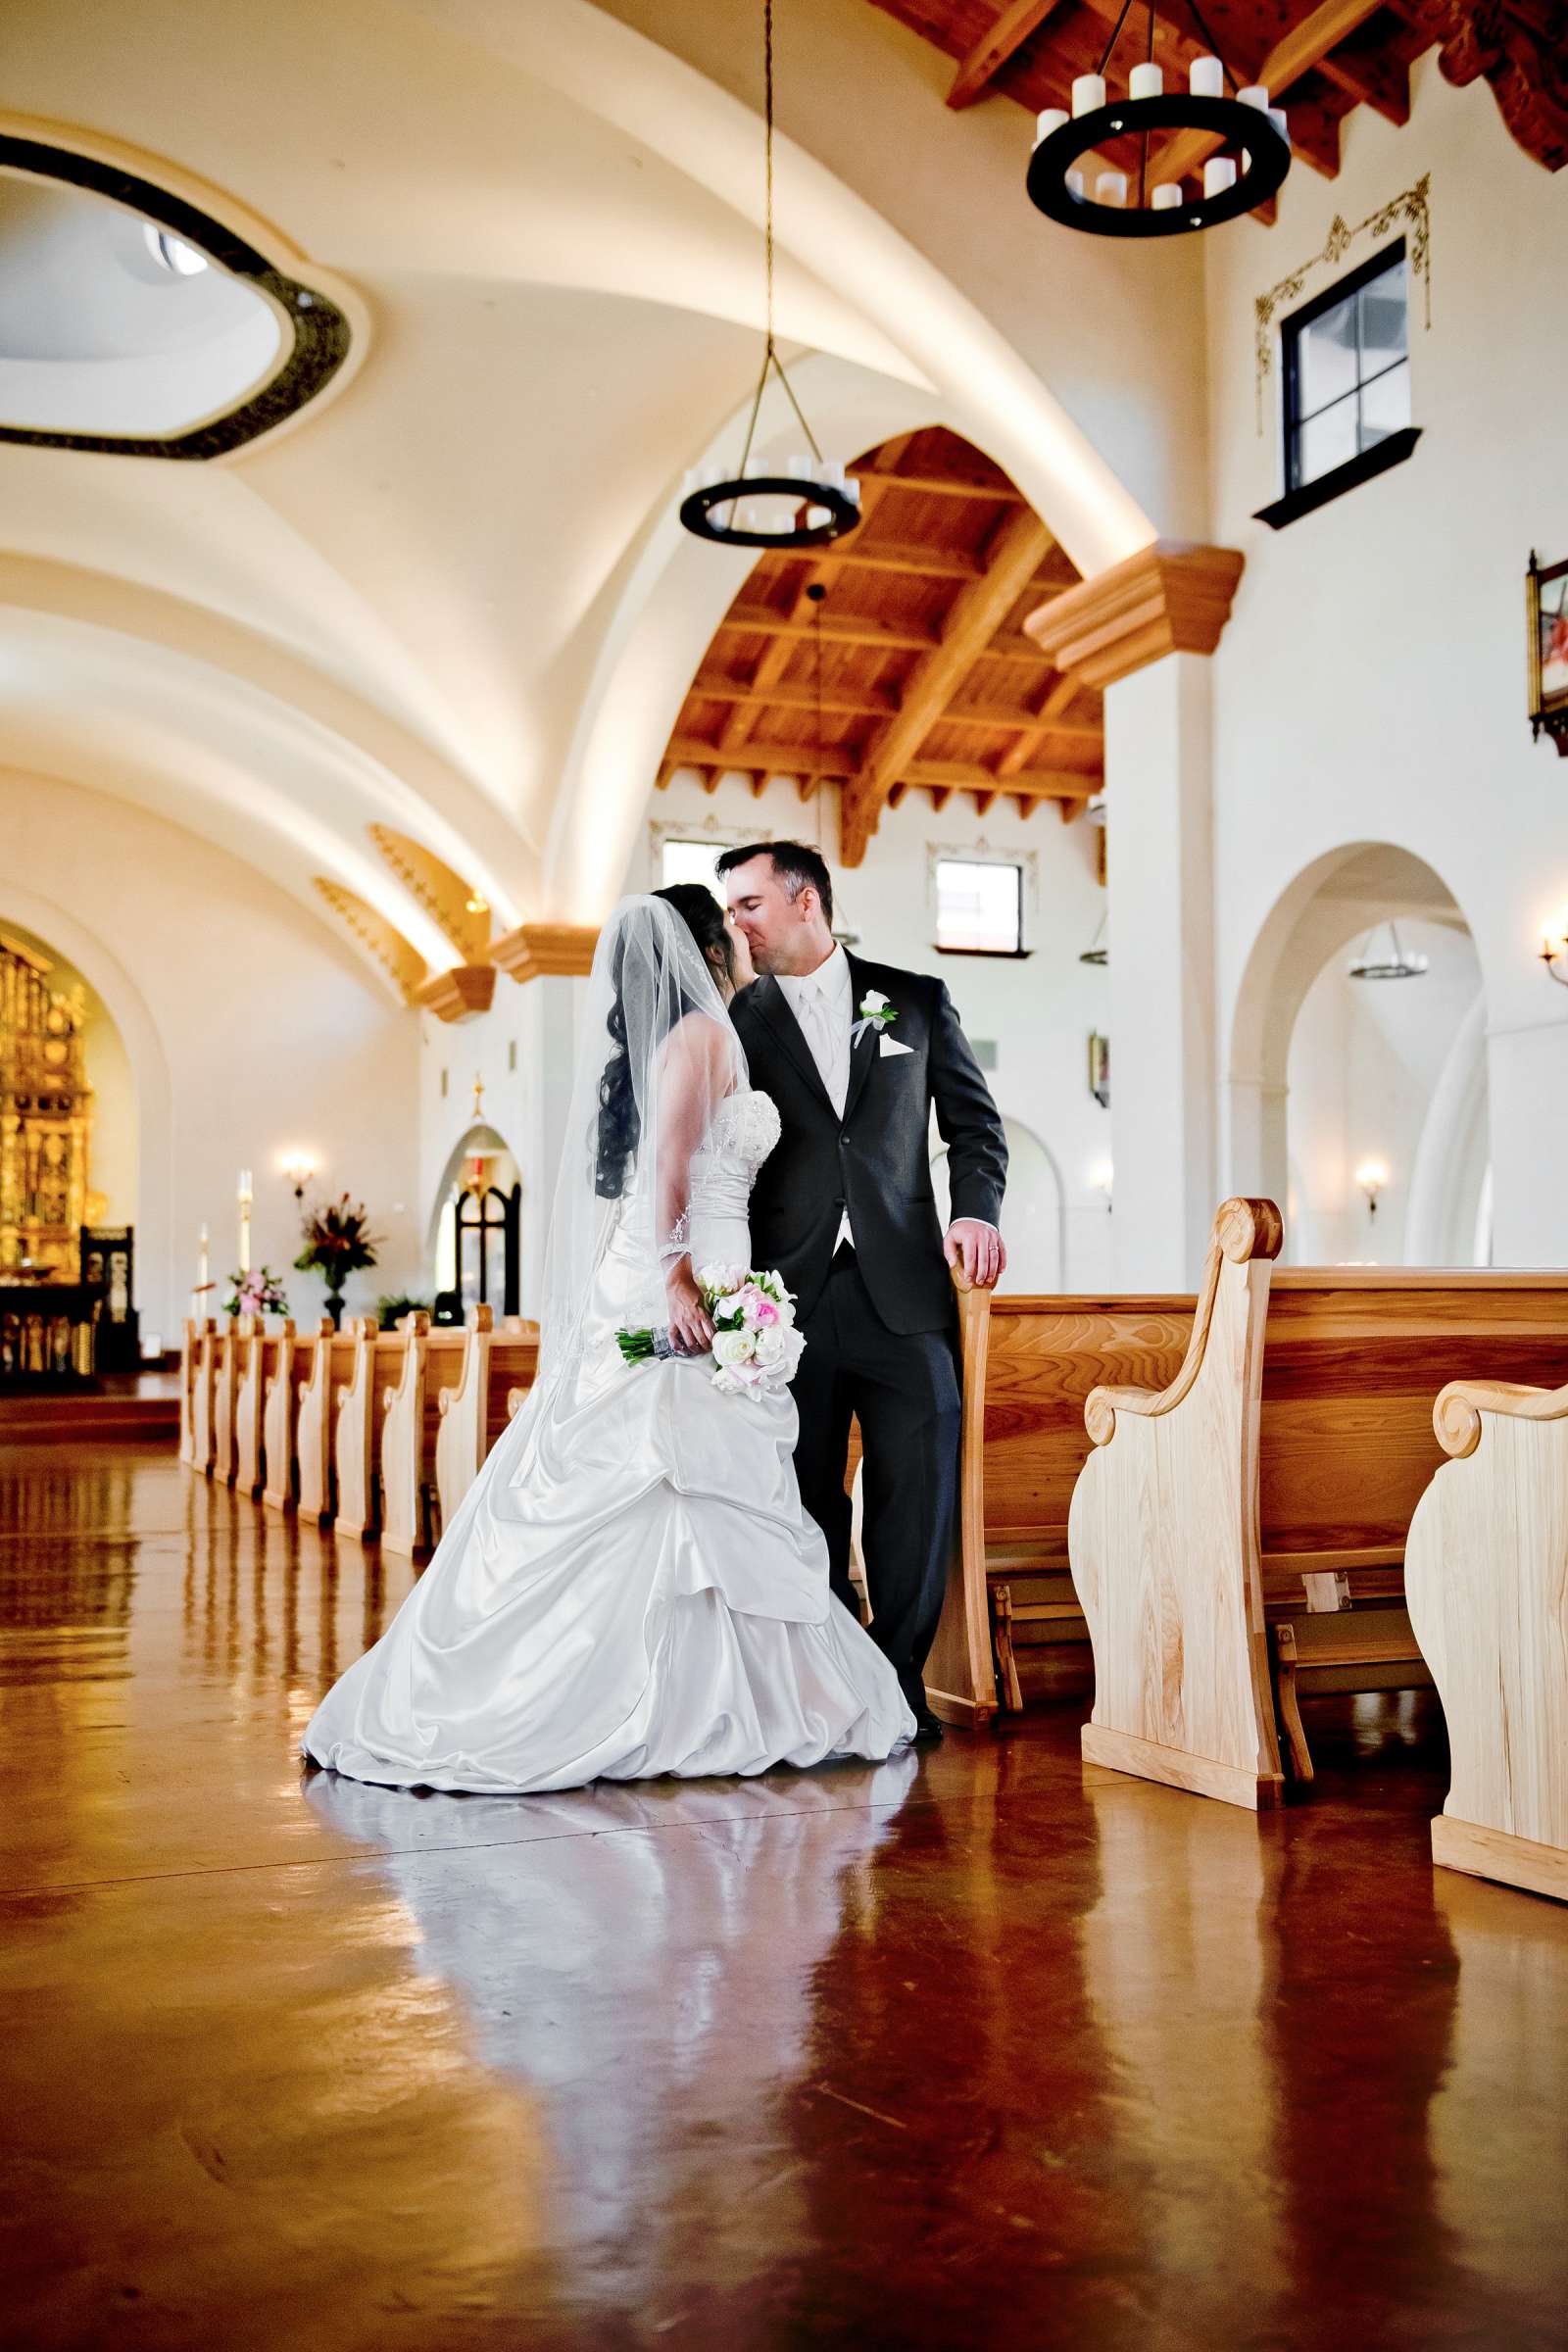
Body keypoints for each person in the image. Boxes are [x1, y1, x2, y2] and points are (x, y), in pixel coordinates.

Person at [302, 887, 913, 1794]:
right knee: (666, 1460)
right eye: (733, 927)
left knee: (693, 1465)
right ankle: (680, 1701)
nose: (747, 939)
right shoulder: (704, 1037)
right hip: (679, 1260)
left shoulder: (694, 1037)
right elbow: (669, 1165)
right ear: (709, 949)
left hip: (698, 1249)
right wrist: (675, 1276)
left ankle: (709, 1692)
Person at [720, 843, 1007, 1743]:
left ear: (807, 901)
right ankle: (834, 1686)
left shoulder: (913, 999)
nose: (738, 924)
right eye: (730, 909)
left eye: (751, 904)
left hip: (907, 1292)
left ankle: (899, 1684)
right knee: (805, 1500)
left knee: (917, 1494)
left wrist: (979, 1214)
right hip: (788, 1302)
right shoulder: (735, 1019)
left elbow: (975, 1128)